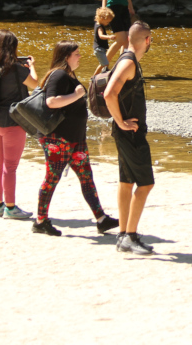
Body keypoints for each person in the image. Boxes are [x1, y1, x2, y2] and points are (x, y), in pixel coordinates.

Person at [31, 41, 120, 237]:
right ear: (66, 56)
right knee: (52, 178)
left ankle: (101, 219)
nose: (80, 57)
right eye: (76, 54)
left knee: (86, 177)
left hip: (74, 139)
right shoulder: (59, 74)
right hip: (58, 138)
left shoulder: (68, 74)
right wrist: (76, 94)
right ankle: (40, 221)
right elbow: (51, 102)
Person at [104, 21, 155, 255]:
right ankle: (130, 237)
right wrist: (120, 122)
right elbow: (108, 94)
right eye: (150, 39)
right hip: (131, 134)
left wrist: (119, 123)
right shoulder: (128, 62)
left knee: (126, 182)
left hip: (127, 133)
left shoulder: (126, 58)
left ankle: (124, 234)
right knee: (146, 184)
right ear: (146, 40)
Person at [0, 30, 38, 219]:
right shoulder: (17, 68)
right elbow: (35, 85)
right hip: (14, 122)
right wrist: (31, 66)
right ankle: (10, 207)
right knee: (11, 166)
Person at [93, 6, 115, 75]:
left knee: (103, 64)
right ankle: (98, 77)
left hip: (100, 49)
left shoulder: (97, 24)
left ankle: (94, 77)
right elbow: (101, 36)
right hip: (99, 49)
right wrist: (109, 37)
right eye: (107, 22)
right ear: (102, 18)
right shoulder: (99, 27)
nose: (108, 23)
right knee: (105, 64)